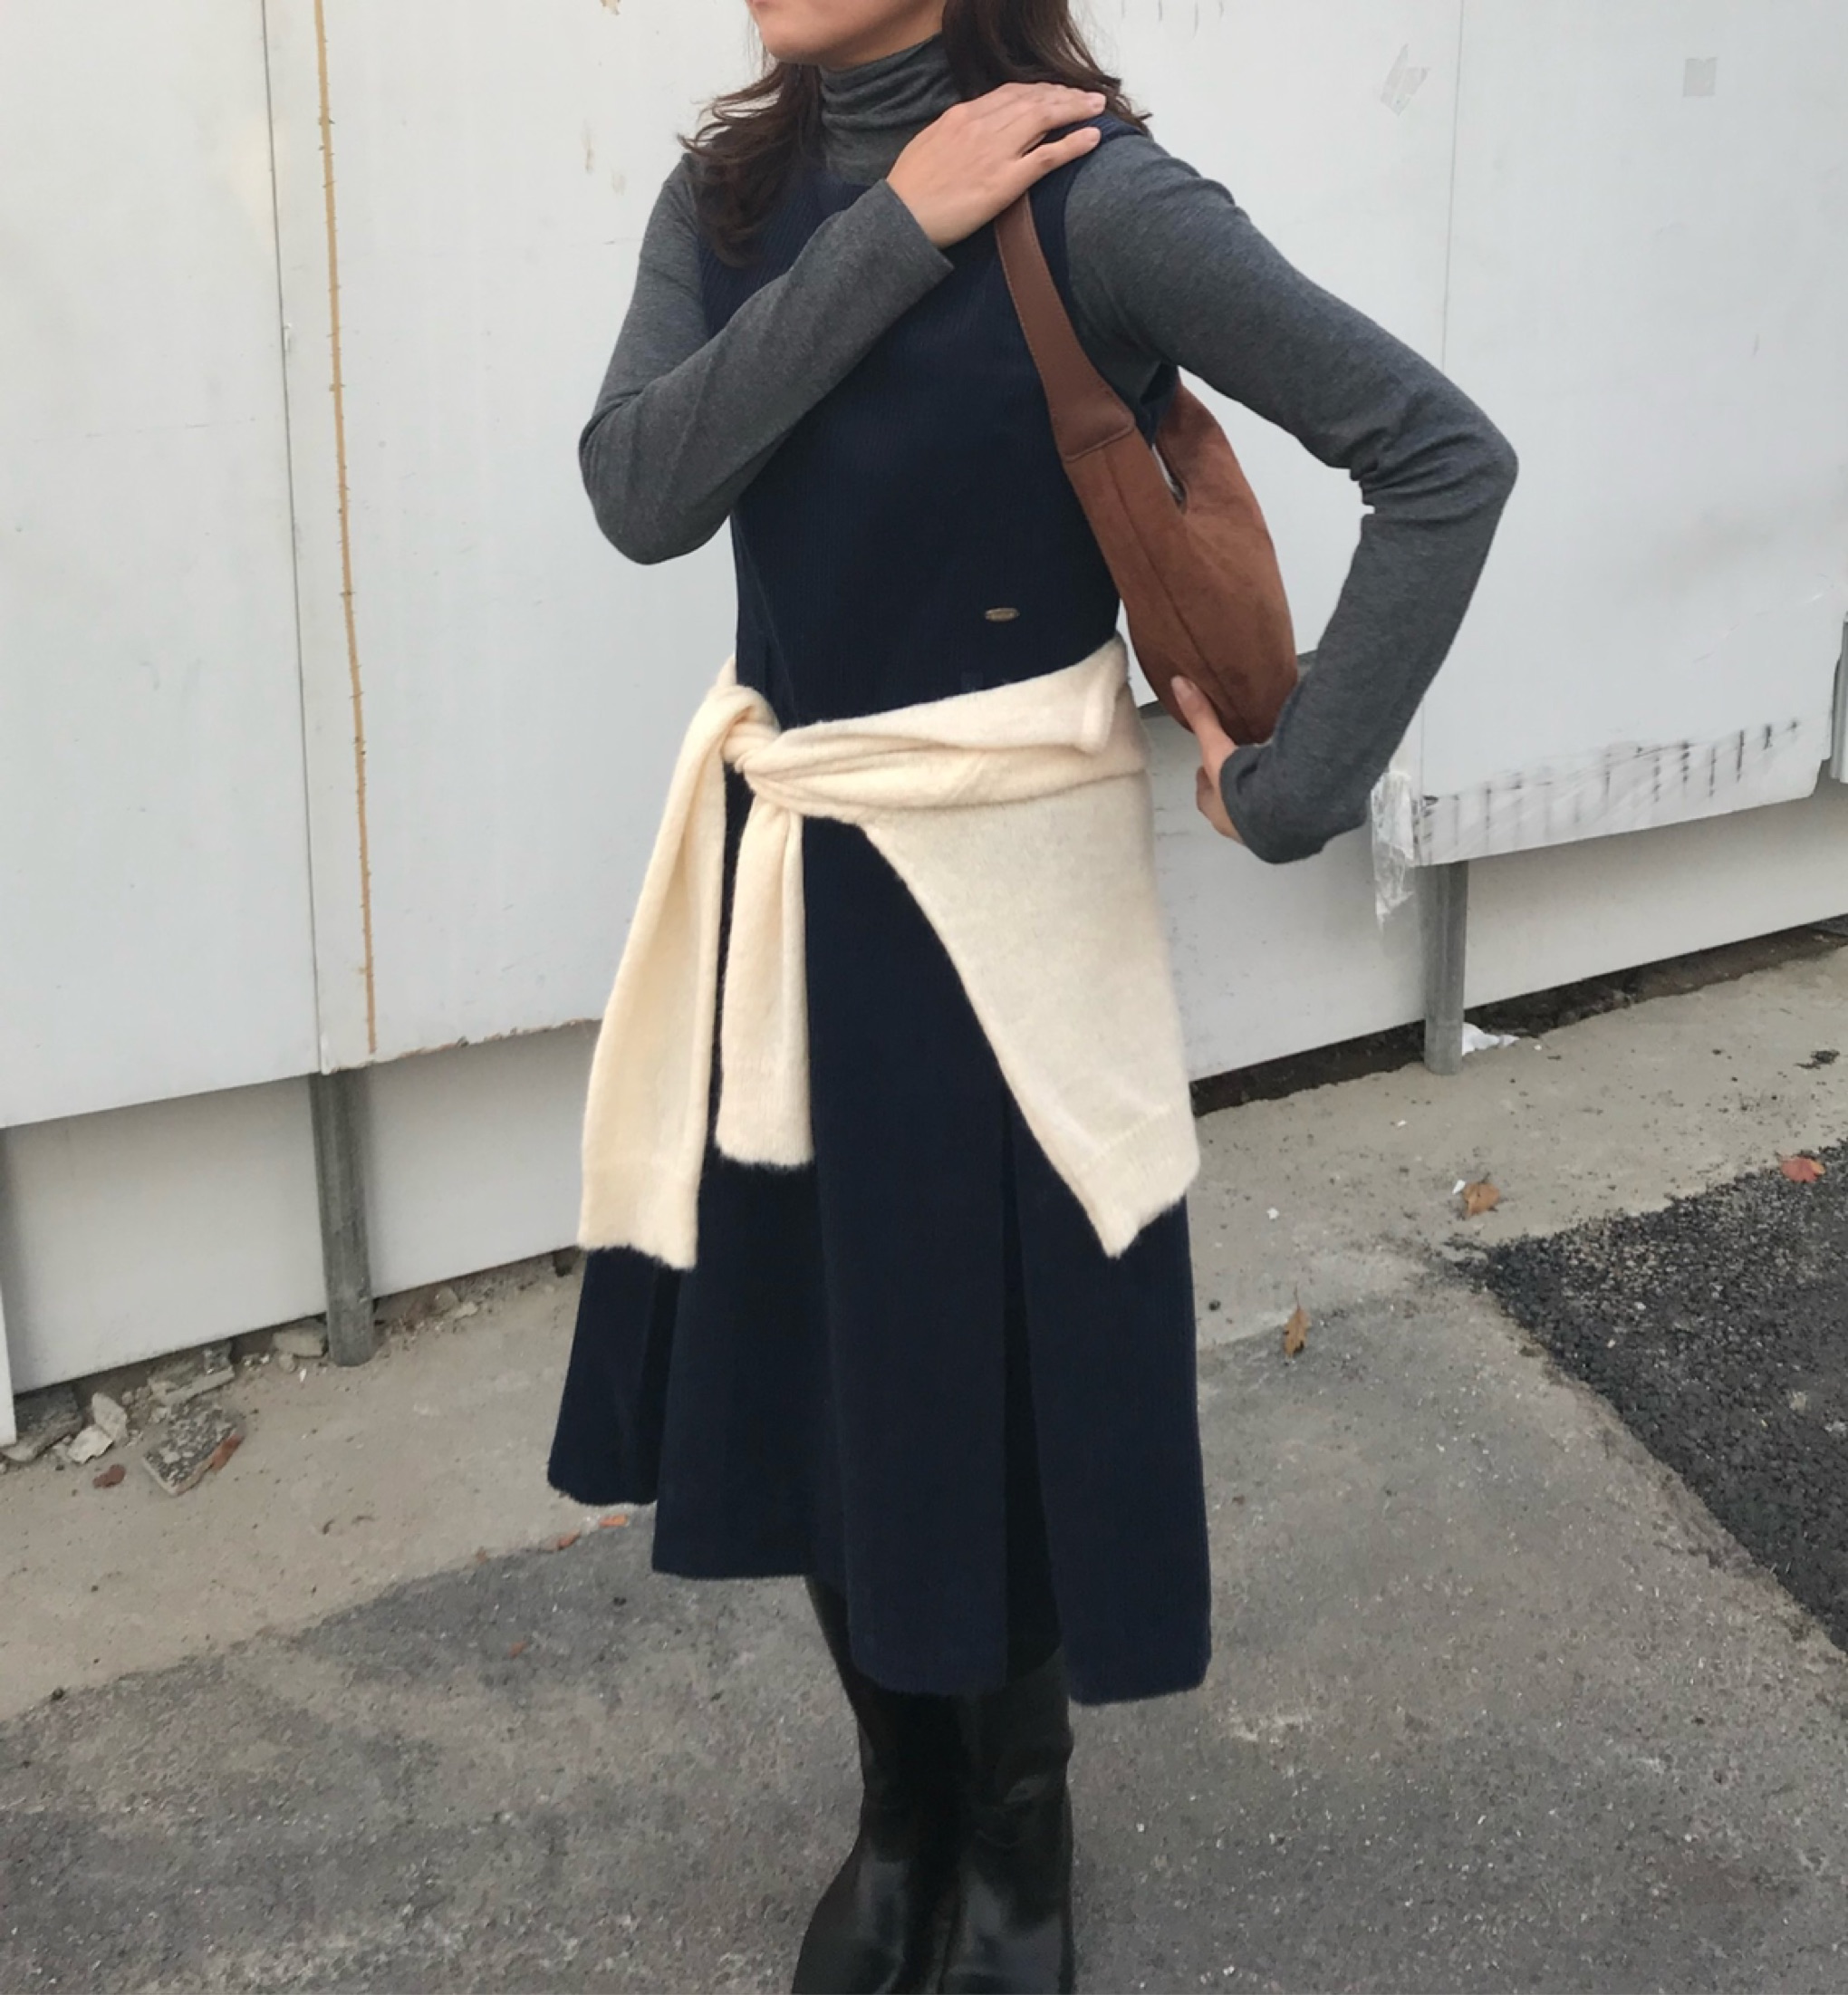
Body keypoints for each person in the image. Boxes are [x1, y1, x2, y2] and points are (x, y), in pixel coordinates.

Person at [549, 2, 1516, 1988]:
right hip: (793, 879)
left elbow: (1440, 457)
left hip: (1007, 922)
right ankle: (900, 1801)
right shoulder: (728, 193)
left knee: (992, 1380)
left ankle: (1015, 1823)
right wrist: (892, 227)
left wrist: (1295, 788)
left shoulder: (1102, 200)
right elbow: (642, 490)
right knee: (824, 1363)